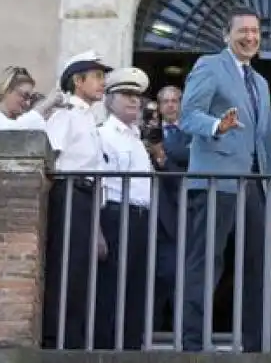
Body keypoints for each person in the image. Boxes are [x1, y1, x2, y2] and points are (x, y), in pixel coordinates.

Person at [179, 6, 271, 352]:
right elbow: (187, 116)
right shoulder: (209, 65)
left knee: (258, 265)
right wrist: (216, 126)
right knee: (206, 263)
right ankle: (193, 345)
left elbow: (266, 142)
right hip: (214, 181)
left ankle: (257, 347)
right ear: (227, 35)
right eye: (243, 31)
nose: (250, 37)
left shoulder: (261, 82)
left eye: (255, 31)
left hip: (254, 185)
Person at [41, 50, 112, 349]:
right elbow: (52, 158)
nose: (102, 83)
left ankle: (73, 337)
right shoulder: (66, 114)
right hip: (68, 191)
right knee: (66, 267)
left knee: (81, 270)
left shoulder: (87, 118)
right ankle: (57, 337)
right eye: (96, 76)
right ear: (77, 80)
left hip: (86, 196)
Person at [95, 67, 154, 349]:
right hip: (116, 215)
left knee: (135, 288)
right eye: (126, 95)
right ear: (109, 99)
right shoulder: (104, 135)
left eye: (137, 96)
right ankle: (107, 348)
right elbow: (102, 184)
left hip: (141, 217)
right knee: (111, 288)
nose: (134, 101)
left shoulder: (135, 137)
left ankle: (131, 346)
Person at [153, 85, 191, 330]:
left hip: (188, 209)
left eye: (175, 101)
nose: (170, 105)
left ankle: (182, 329)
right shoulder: (148, 133)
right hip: (157, 212)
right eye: (165, 101)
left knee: (185, 274)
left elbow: (193, 162)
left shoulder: (192, 134)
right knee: (160, 274)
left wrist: (165, 161)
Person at [0, 66, 63, 130]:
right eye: (25, 96)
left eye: (29, 98)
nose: (27, 103)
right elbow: (11, 132)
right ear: (7, 89)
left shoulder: (18, 120)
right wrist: (45, 105)